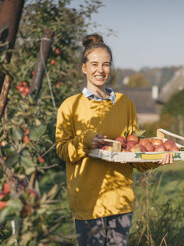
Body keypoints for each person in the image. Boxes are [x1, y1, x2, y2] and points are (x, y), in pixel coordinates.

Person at [55, 33, 174, 246]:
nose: (100, 70)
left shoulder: (124, 103)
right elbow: (62, 150)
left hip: (121, 199)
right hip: (88, 199)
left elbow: (132, 152)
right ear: (84, 67)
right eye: (94, 64)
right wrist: (85, 140)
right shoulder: (70, 106)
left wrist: (156, 159)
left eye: (106, 65)